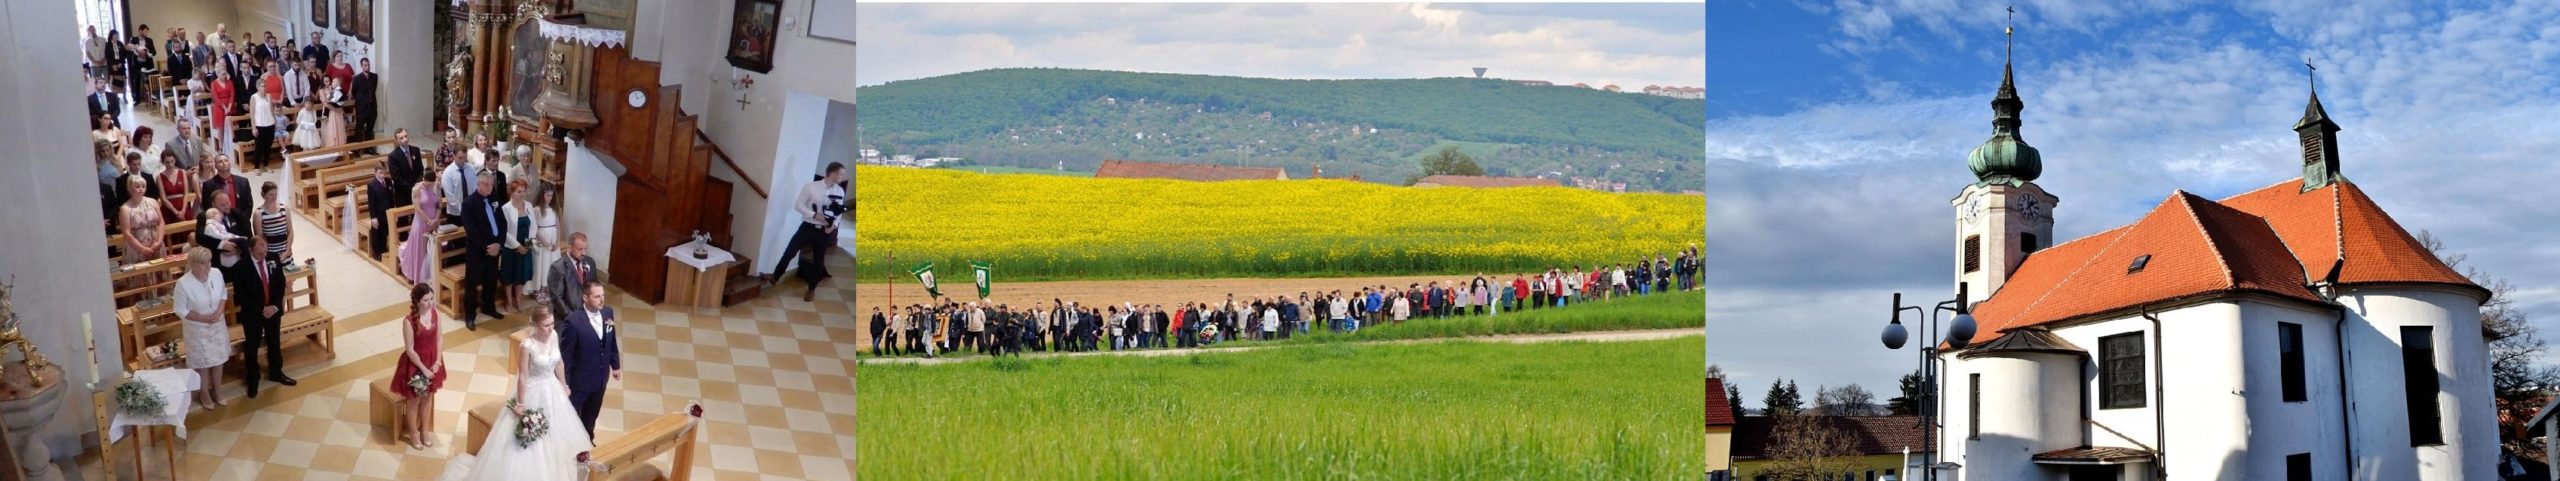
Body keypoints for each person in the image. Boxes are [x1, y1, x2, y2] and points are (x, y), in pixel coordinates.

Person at [455, 303, 590, 481]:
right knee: (531, 442)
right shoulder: (527, 346)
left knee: (557, 433)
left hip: (553, 390)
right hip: (533, 392)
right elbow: (523, 376)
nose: (551, 328)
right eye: (546, 325)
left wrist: (564, 384)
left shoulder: (554, 335)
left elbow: (559, 362)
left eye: (551, 324)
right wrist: (520, 403)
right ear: (535, 325)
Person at [763, 163, 848, 290]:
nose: (843, 177)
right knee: (790, 252)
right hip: (808, 226)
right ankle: (775, 277)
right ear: (833, 174)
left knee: (818, 260)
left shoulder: (839, 191)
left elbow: (839, 212)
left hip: (824, 231)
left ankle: (811, 289)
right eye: (841, 174)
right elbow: (799, 205)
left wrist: (834, 226)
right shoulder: (811, 186)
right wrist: (814, 215)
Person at [232, 233, 293, 398]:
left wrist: (274, 306)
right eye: (259, 252)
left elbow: (280, 284)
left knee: (274, 341)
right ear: (251, 250)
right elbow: (241, 296)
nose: (263, 254)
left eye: (265, 249)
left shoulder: (273, 258)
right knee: (252, 346)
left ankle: (276, 372)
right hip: (253, 314)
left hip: (273, 310)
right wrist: (260, 310)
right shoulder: (240, 267)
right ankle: (253, 378)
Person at [561, 281, 622, 437]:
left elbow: (611, 340)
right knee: (571, 418)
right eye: (597, 296)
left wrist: (615, 365)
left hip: (601, 379)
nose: (602, 300)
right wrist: (564, 383)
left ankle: (588, 441)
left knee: (591, 416)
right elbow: (566, 357)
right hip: (579, 382)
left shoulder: (608, 313)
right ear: (585, 298)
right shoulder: (573, 322)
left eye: (603, 296)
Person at [173, 246, 229, 410]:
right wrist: (202, 318)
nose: (208, 266)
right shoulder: (183, 283)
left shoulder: (217, 273)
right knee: (203, 363)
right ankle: (204, 392)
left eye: (209, 262)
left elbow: (223, 294)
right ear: (193, 264)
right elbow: (180, 309)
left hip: (217, 324)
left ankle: (217, 389)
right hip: (197, 328)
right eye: (203, 264)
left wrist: (219, 310)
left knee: (218, 359)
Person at [394, 283, 447, 450]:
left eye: (432, 298)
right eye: (426, 300)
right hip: (416, 364)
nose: (430, 303)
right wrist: (423, 369)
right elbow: (409, 349)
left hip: (433, 361)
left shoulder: (435, 313)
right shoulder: (408, 321)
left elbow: (439, 339)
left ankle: (425, 431)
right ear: (417, 301)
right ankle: (414, 433)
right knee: (414, 401)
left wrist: (437, 362)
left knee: (428, 397)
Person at [460, 173, 506, 329]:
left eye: (491, 185)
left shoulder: (495, 200)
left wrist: (499, 244)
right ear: (478, 184)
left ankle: (488, 307)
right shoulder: (468, 204)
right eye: (486, 185)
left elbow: (503, 223)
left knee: (491, 280)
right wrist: (488, 247)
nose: (489, 187)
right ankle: (470, 315)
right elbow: (471, 231)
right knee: (472, 284)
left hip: (495, 249)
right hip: (477, 252)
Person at [546, 233, 601, 322]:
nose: (584, 253)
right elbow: (556, 298)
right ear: (569, 248)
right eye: (580, 249)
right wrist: (573, 318)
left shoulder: (590, 262)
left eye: (585, 249)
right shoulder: (557, 268)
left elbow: (594, 287)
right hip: (567, 316)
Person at [501, 180, 537, 313]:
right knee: (509, 276)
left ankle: (519, 300)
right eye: (519, 192)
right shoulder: (506, 208)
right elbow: (504, 231)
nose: (522, 194)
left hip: (526, 245)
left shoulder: (528, 205)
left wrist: (528, 245)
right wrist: (517, 246)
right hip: (511, 247)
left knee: (522, 276)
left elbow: (533, 226)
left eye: (524, 191)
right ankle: (509, 301)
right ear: (512, 192)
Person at [120, 176, 166, 266]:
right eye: (137, 186)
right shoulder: (125, 208)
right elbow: (126, 233)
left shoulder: (153, 202)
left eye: (143, 186)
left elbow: (161, 222)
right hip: (136, 248)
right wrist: (142, 249)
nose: (141, 189)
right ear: (130, 188)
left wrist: (159, 241)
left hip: (155, 244)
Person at [527, 187, 560, 301]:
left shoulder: (554, 209)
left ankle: (546, 288)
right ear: (541, 195)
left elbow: (558, 226)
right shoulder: (536, 210)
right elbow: (534, 228)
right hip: (542, 240)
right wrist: (545, 242)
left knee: (550, 265)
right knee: (540, 264)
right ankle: (537, 289)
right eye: (547, 195)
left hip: (553, 239)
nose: (549, 198)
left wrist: (557, 241)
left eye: (551, 195)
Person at [256, 182, 293, 268]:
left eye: (275, 194)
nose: (274, 197)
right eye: (271, 194)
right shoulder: (258, 214)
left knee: (289, 279)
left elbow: (290, 232)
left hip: (285, 252)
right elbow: (259, 238)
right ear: (264, 195)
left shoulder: (285, 209)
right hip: (269, 255)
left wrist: (287, 251)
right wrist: (268, 255)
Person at [384, 128, 422, 206]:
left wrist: (418, 183)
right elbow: (396, 177)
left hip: (417, 190)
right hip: (402, 193)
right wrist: (411, 187)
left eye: (406, 136)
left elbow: (420, 169)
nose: (405, 139)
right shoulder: (393, 156)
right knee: (403, 217)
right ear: (397, 140)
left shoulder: (416, 150)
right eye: (401, 138)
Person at [366, 164, 396, 260]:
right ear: (375, 173)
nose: (383, 175)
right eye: (380, 173)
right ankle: (377, 252)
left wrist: (393, 212)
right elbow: (371, 203)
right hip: (378, 213)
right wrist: (373, 217)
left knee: (385, 232)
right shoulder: (371, 184)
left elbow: (392, 198)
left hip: (388, 211)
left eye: (384, 173)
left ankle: (384, 249)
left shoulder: (388, 181)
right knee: (377, 233)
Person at [156, 151, 194, 222]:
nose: (170, 164)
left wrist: (183, 210)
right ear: (163, 162)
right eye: (167, 162)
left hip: (183, 205)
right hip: (169, 208)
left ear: (175, 160)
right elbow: (163, 198)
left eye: (172, 161)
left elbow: (186, 193)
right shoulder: (159, 177)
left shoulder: (182, 172)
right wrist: (175, 212)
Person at [351, 58, 378, 144]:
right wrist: (361, 100)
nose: (367, 67)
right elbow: (354, 92)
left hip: (372, 106)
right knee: (359, 127)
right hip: (361, 107)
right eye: (365, 65)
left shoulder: (374, 76)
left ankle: (369, 148)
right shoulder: (357, 78)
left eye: (368, 65)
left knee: (370, 128)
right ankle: (357, 149)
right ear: (361, 66)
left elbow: (374, 89)